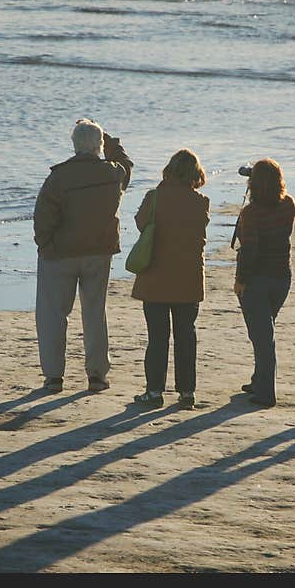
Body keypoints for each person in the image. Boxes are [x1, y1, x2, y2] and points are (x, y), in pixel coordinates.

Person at [33, 119, 133, 393]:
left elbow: (43, 218)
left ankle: (54, 377)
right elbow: (126, 166)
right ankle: (97, 375)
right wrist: (111, 142)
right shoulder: (112, 173)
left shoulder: (59, 177)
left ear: (74, 145)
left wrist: (45, 245)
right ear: (99, 146)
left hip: (61, 253)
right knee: (94, 313)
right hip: (98, 252)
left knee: (53, 315)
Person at [132, 149, 210, 409]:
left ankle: (154, 391)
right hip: (188, 278)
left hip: (155, 276)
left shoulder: (154, 197)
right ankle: (187, 392)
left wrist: (162, 188)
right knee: (186, 336)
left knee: (157, 337)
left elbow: (142, 223)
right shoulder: (201, 202)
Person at [234, 158, 295, 408]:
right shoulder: (289, 205)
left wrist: (241, 280)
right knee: (262, 332)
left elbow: (249, 251)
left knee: (262, 337)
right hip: (282, 277)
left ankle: (265, 393)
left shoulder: (250, 213)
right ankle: (259, 379)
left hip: (258, 279)